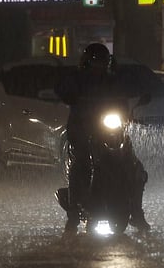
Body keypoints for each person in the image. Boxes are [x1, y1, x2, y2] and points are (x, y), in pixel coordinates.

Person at [55, 43, 150, 235]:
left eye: (103, 62)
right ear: (87, 63)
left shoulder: (113, 81)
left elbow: (124, 100)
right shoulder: (77, 79)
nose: (99, 66)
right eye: (95, 62)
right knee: (80, 163)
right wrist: (71, 97)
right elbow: (64, 91)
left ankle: (137, 213)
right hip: (83, 130)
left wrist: (129, 111)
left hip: (111, 130)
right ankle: (73, 215)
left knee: (136, 167)